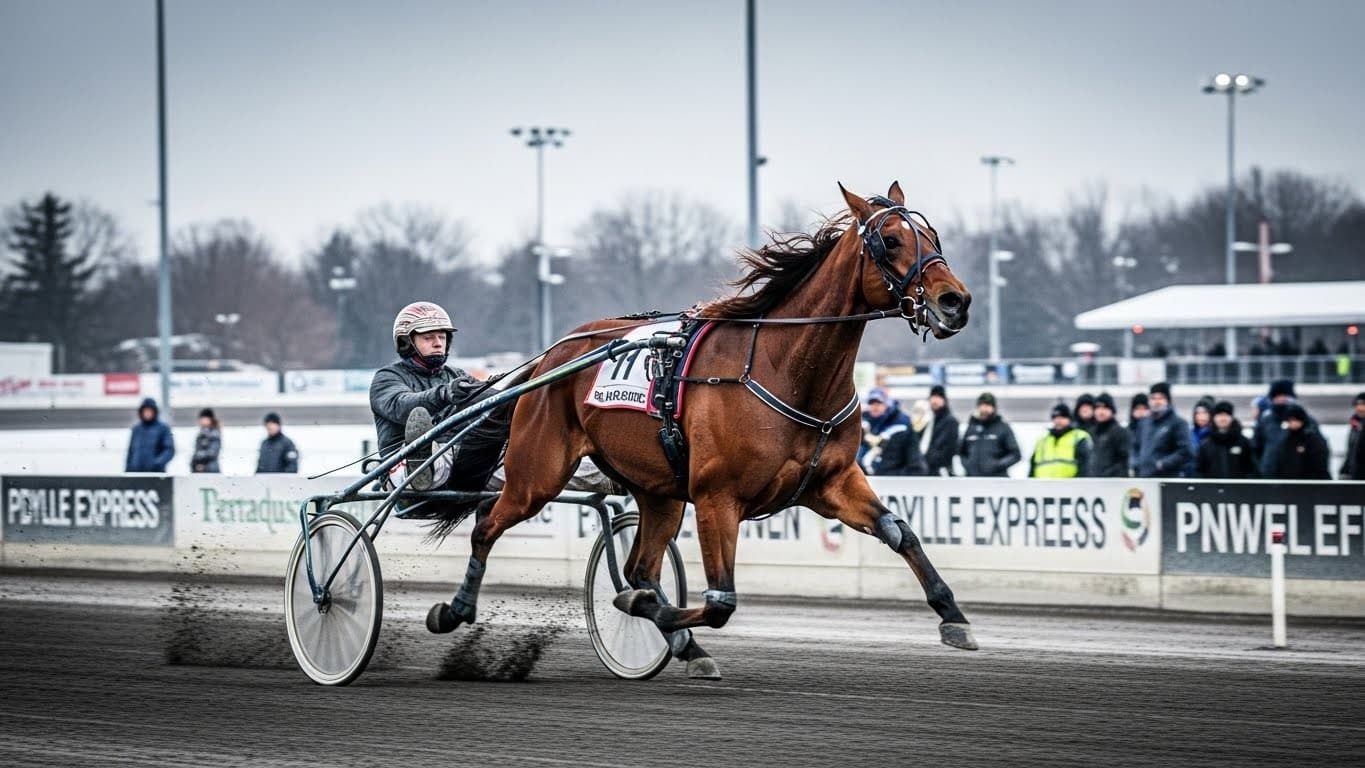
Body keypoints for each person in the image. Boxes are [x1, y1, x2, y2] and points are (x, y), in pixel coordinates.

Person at [370, 301, 512, 495]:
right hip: (401, 466)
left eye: (442, 337)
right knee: (424, 431)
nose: (438, 343)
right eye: (428, 337)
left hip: (459, 464)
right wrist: (444, 394)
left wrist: (521, 397)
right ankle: (421, 463)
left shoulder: (457, 375)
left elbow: (493, 401)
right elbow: (401, 406)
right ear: (406, 343)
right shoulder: (387, 377)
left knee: (511, 452)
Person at [1252, 379, 1316, 478]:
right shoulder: (1266, 420)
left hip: (1297, 476)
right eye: (1277, 396)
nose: (1281, 399)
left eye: (1284, 396)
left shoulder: (1305, 420)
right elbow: (1256, 447)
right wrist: (1261, 468)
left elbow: (1316, 448)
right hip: (1269, 474)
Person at [1131, 382, 1193, 478]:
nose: (1157, 402)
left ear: (1167, 400)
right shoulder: (1144, 423)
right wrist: (1136, 464)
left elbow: (1186, 451)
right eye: (1153, 398)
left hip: (1167, 479)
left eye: (1160, 398)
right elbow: (1135, 447)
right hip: (1144, 478)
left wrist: (1162, 464)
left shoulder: (1178, 423)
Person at [859, 388, 926, 476]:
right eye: (872, 403)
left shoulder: (902, 425)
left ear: (887, 404)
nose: (875, 407)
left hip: (893, 478)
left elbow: (916, 464)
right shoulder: (865, 425)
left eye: (879, 403)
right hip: (869, 476)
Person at [958, 392, 1021, 477]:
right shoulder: (971, 428)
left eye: (987, 405)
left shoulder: (1003, 428)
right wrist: (968, 466)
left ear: (994, 408)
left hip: (996, 480)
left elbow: (1015, 454)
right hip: (973, 479)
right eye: (982, 405)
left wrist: (998, 465)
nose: (984, 409)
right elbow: (962, 452)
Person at [1196, 401, 1257, 479]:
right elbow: (1199, 470)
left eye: (1226, 415)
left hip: (1238, 486)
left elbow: (1251, 469)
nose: (1222, 418)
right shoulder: (1205, 445)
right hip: (1212, 486)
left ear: (1231, 417)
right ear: (1214, 418)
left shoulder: (1244, 443)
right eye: (1219, 415)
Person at [1029, 403, 1092, 478]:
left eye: (1063, 417)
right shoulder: (1042, 441)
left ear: (1070, 419)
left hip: (1070, 484)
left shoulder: (1079, 437)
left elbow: (1085, 466)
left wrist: (1078, 484)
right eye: (1055, 417)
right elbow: (1032, 467)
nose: (1058, 420)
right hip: (1042, 484)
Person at [1271, 404, 1330, 480]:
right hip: (1289, 481)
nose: (1292, 423)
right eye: (1289, 420)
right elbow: (1280, 460)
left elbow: (1320, 462)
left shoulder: (1312, 438)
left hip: (1309, 481)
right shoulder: (1285, 438)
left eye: (1295, 420)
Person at [125, 397, 174, 473]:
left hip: (155, 474)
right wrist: (128, 469)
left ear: (154, 412)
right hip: (136, 473)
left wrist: (157, 463)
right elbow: (130, 452)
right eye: (145, 410)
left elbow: (169, 450)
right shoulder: (136, 429)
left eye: (150, 411)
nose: (147, 413)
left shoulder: (163, 428)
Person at [1088, 393, 1130, 477]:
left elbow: (1124, 461)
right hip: (1093, 481)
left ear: (1112, 410)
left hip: (1112, 481)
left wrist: (1108, 475)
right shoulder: (1091, 432)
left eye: (1105, 408)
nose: (1101, 412)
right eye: (1097, 408)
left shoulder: (1120, 432)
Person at [924, 384, 959, 477]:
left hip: (941, 472)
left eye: (938, 397)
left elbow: (947, 450)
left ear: (944, 400)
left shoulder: (950, 422)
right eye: (932, 397)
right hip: (928, 471)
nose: (934, 400)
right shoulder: (929, 420)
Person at [1187, 397, 1215, 476]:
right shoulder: (1190, 434)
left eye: (1205, 413)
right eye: (1198, 413)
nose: (1201, 416)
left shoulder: (1215, 435)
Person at [1341, 393, 1365, 480]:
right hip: (1356, 475)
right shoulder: (1356, 425)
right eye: (1357, 404)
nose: (1360, 408)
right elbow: (1351, 451)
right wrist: (1345, 470)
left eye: (1363, 404)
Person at [191, 407, 222, 473]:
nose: (200, 421)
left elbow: (212, 453)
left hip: (210, 470)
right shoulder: (202, 433)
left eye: (202, 418)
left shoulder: (214, 434)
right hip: (203, 469)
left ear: (209, 419)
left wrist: (198, 457)